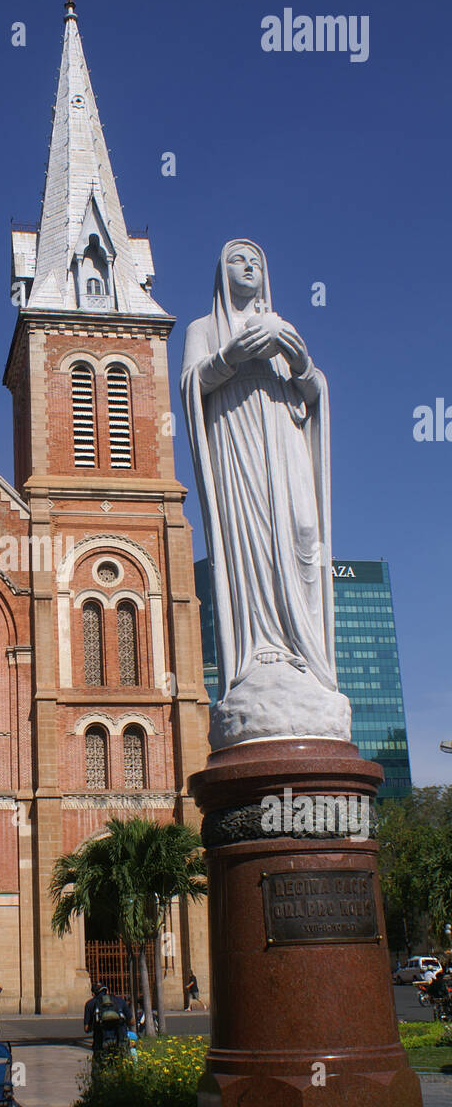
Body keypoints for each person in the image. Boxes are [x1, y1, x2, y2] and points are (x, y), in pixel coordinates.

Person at [180, 240, 351, 749]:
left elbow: (315, 394)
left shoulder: (284, 326)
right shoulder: (203, 329)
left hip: (284, 443)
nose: (248, 266)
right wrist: (230, 356)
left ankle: (304, 651)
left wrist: (301, 366)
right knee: (250, 541)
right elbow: (191, 385)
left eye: (256, 260)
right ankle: (263, 651)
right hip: (239, 449)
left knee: (302, 532)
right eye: (237, 259)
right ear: (220, 274)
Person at [83, 981, 132, 1059]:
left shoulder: (90, 1004)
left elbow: (86, 1028)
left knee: (100, 1068)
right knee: (122, 1064)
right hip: (120, 1040)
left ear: (93, 994)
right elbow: (132, 1021)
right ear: (107, 990)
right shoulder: (119, 1000)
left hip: (100, 1043)